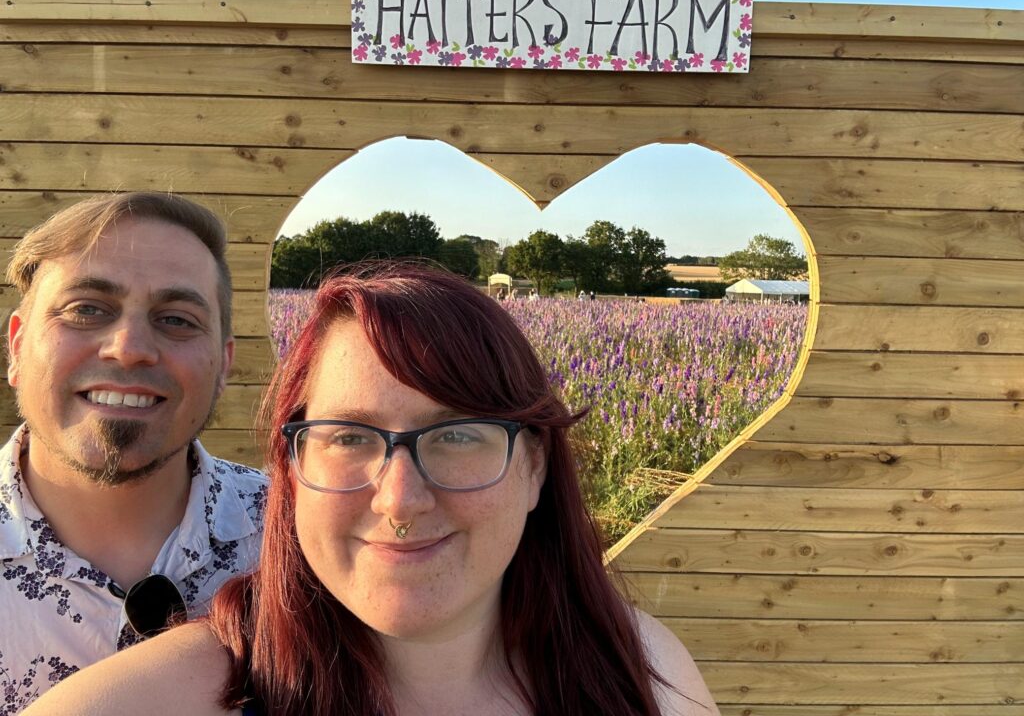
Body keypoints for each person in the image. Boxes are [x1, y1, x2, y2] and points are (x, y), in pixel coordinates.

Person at [24, 263, 718, 716]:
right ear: (292, 470)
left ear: (536, 468)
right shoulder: (137, 705)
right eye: (351, 438)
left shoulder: (648, 677)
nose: (400, 500)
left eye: (456, 435)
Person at [1, 192, 267, 714]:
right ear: (16, 347)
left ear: (223, 365)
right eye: (86, 310)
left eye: (177, 319)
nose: (128, 346)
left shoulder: (303, 536)